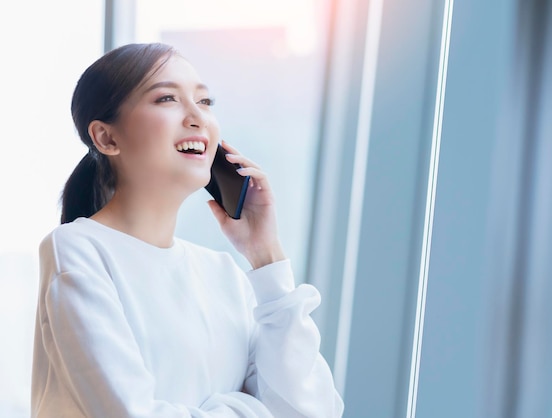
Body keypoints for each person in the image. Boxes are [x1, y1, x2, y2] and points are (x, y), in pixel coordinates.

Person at [31, 42, 344, 418]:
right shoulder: (78, 250)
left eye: (206, 102)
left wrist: (267, 256)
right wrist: (249, 408)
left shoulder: (224, 274)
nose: (198, 118)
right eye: (167, 99)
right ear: (106, 138)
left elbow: (313, 411)